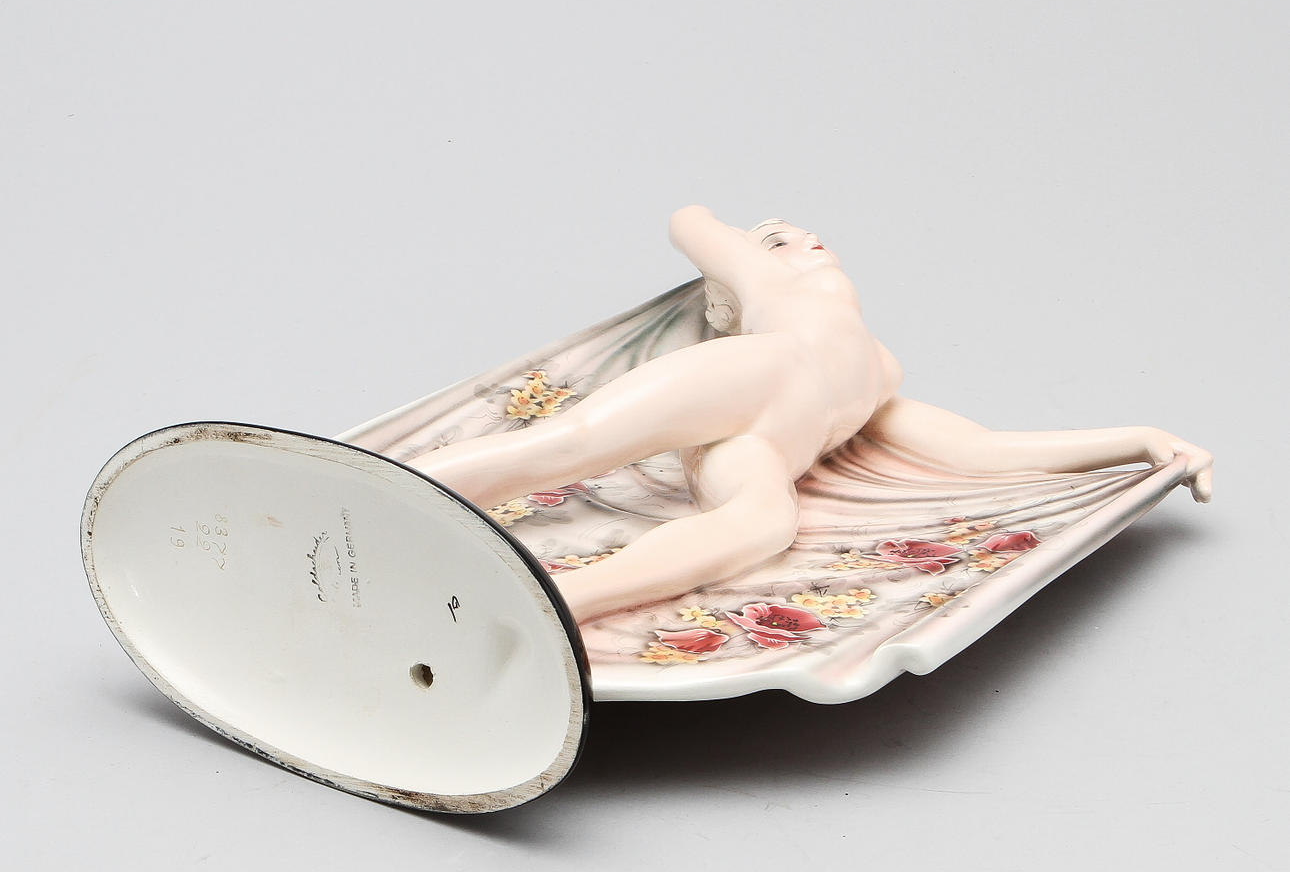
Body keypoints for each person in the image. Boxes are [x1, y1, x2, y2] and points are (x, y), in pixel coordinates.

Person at [406, 206, 1212, 623]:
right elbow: (688, 222)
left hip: (759, 445)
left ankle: (561, 602)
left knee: (765, 524)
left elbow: (980, 450)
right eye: (778, 237)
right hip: (753, 376)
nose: (803, 239)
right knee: (575, 444)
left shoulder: (880, 370)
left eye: (801, 232)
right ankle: (385, 489)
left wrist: (1139, 441)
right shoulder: (775, 291)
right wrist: (734, 241)